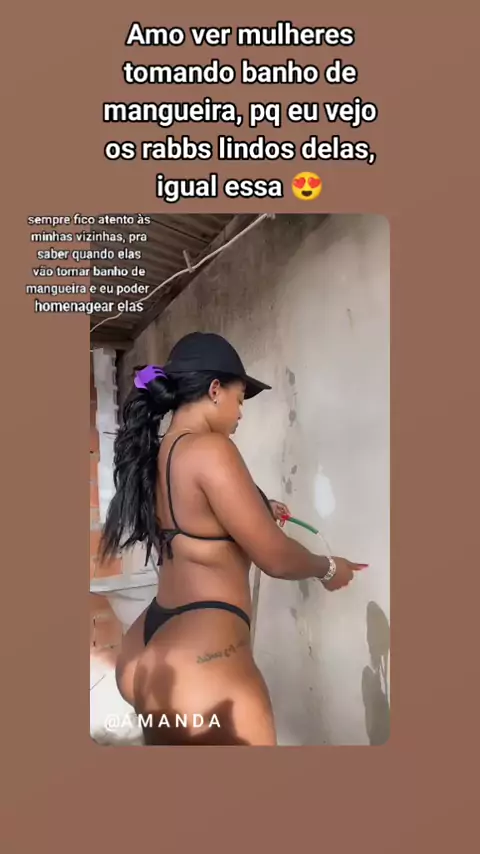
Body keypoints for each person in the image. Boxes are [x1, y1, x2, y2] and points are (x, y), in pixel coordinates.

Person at [99, 332, 367, 745]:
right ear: (214, 390)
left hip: (149, 643)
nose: (240, 413)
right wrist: (329, 568)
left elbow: (196, 515)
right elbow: (276, 558)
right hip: (203, 660)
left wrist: (260, 508)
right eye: (239, 399)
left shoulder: (160, 452)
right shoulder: (211, 449)